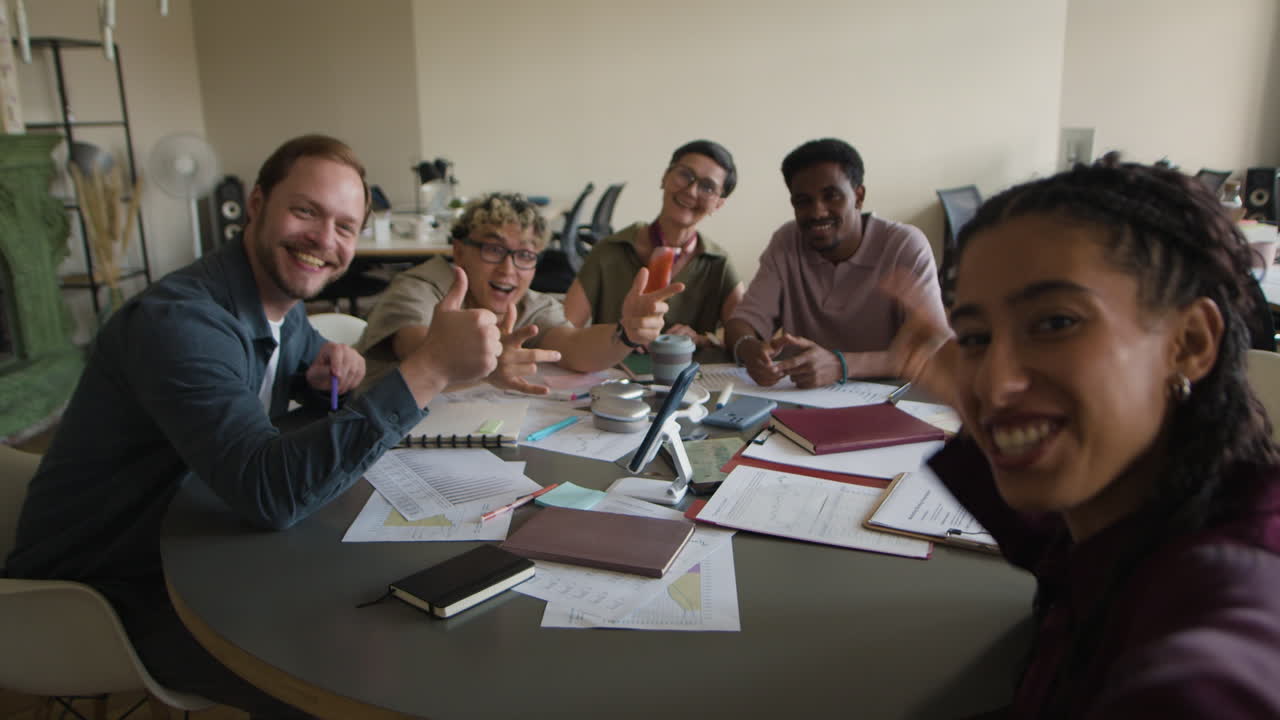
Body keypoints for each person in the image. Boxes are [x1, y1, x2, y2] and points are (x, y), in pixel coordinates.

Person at [3, 135, 503, 719]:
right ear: (257, 205)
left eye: (346, 226)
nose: (324, 240)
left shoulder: (276, 306)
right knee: (338, 674)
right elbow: (271, 493)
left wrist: (332, 371)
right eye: (306, 211)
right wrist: (431, 368)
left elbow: (308, 363)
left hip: (197, 545)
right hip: (103, 591)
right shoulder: (180, 323)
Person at [905, 159, 1280, 717]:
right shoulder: (1129, 510)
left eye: (1056, 323)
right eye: (976, 337)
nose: (993, 382)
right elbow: (1054, 546)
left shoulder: (1223, 617)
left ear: (1190, 342)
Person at [357, 192, 683, 395]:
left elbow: (575, 348)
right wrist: (491, 366)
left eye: (525, 255)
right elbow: (421, 353)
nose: (508, 269)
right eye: (493, 249)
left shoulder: (528, 304)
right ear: (459, 251)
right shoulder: (418, 289)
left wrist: (625, 332)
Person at [724, 138, 947, 388]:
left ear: (858, 197)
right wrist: (751, 350)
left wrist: (840, 365)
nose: (817, 212)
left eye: (831, 197)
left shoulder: (903, 246)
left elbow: (933, 344)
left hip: (887, 398)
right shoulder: (787, 242)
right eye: (803, 201)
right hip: (799, 399)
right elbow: (741, 323)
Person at [563, 140, 745, 359]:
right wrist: (619, 336)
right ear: (664, 177)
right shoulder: (610, 250)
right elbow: (564, 330)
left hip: (684, 385)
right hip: (613, 377)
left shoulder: (718, 263)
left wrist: (703, 340)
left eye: (707, 187)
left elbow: (744, 340)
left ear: (718, 204)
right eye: (685, 175)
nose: (691, 191)